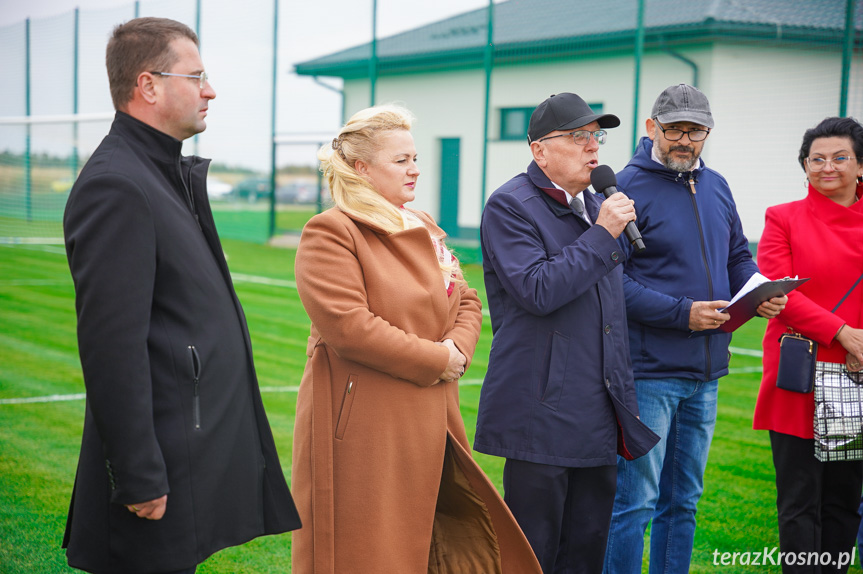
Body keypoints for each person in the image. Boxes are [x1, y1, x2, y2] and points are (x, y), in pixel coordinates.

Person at [62, 17, 301, 574]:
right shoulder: (117, 185)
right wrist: (139, 474)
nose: (210, 90)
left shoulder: (162, 171)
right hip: (161, 462)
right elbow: (110, 347)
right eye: (196, 77)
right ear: (148, 85)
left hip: (188, 449)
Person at [291, 104, 541, 573]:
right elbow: (350, 327)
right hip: (367, 427)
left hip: (433, 415)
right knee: (366, 551)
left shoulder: (421, 223)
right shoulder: (331, 230)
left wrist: (457, 352)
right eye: (401, 160)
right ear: (361, 169)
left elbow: (466, 299)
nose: (416, 169)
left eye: (414, 157)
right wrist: (435, 360)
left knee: (438, 545)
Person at [602, 83, 787, 574]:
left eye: (696, 130)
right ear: (651, 129)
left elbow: (737, 257)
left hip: (706, 374)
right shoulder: (622, 190)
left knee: (683, 502)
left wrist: (760, 289)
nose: (685, 140)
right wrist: (682, 313)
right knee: (634, 504)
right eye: (675, 130)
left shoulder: (717, 185)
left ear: (708, 132)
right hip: (649, 375)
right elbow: (609, 283)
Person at [474, 92, 660, 573]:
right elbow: (537, 289)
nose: (592, 146)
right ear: (540, 150)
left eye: (596, 135)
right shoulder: (509, 206)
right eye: (577, 136)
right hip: (542, 409)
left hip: (598, 407)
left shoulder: (594, 202)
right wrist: (602, 234)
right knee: (535, 554)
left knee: (586, 549)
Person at [753, 116, 863, 573]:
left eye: (840, 157)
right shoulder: (782, 218)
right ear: (804, 166)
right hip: (800, 375)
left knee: (843, 500)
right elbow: (777, 293)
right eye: (816, 158)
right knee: (799, 502)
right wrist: (844, 334)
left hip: (858, 378)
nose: (827, 167)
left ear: (860, 166)